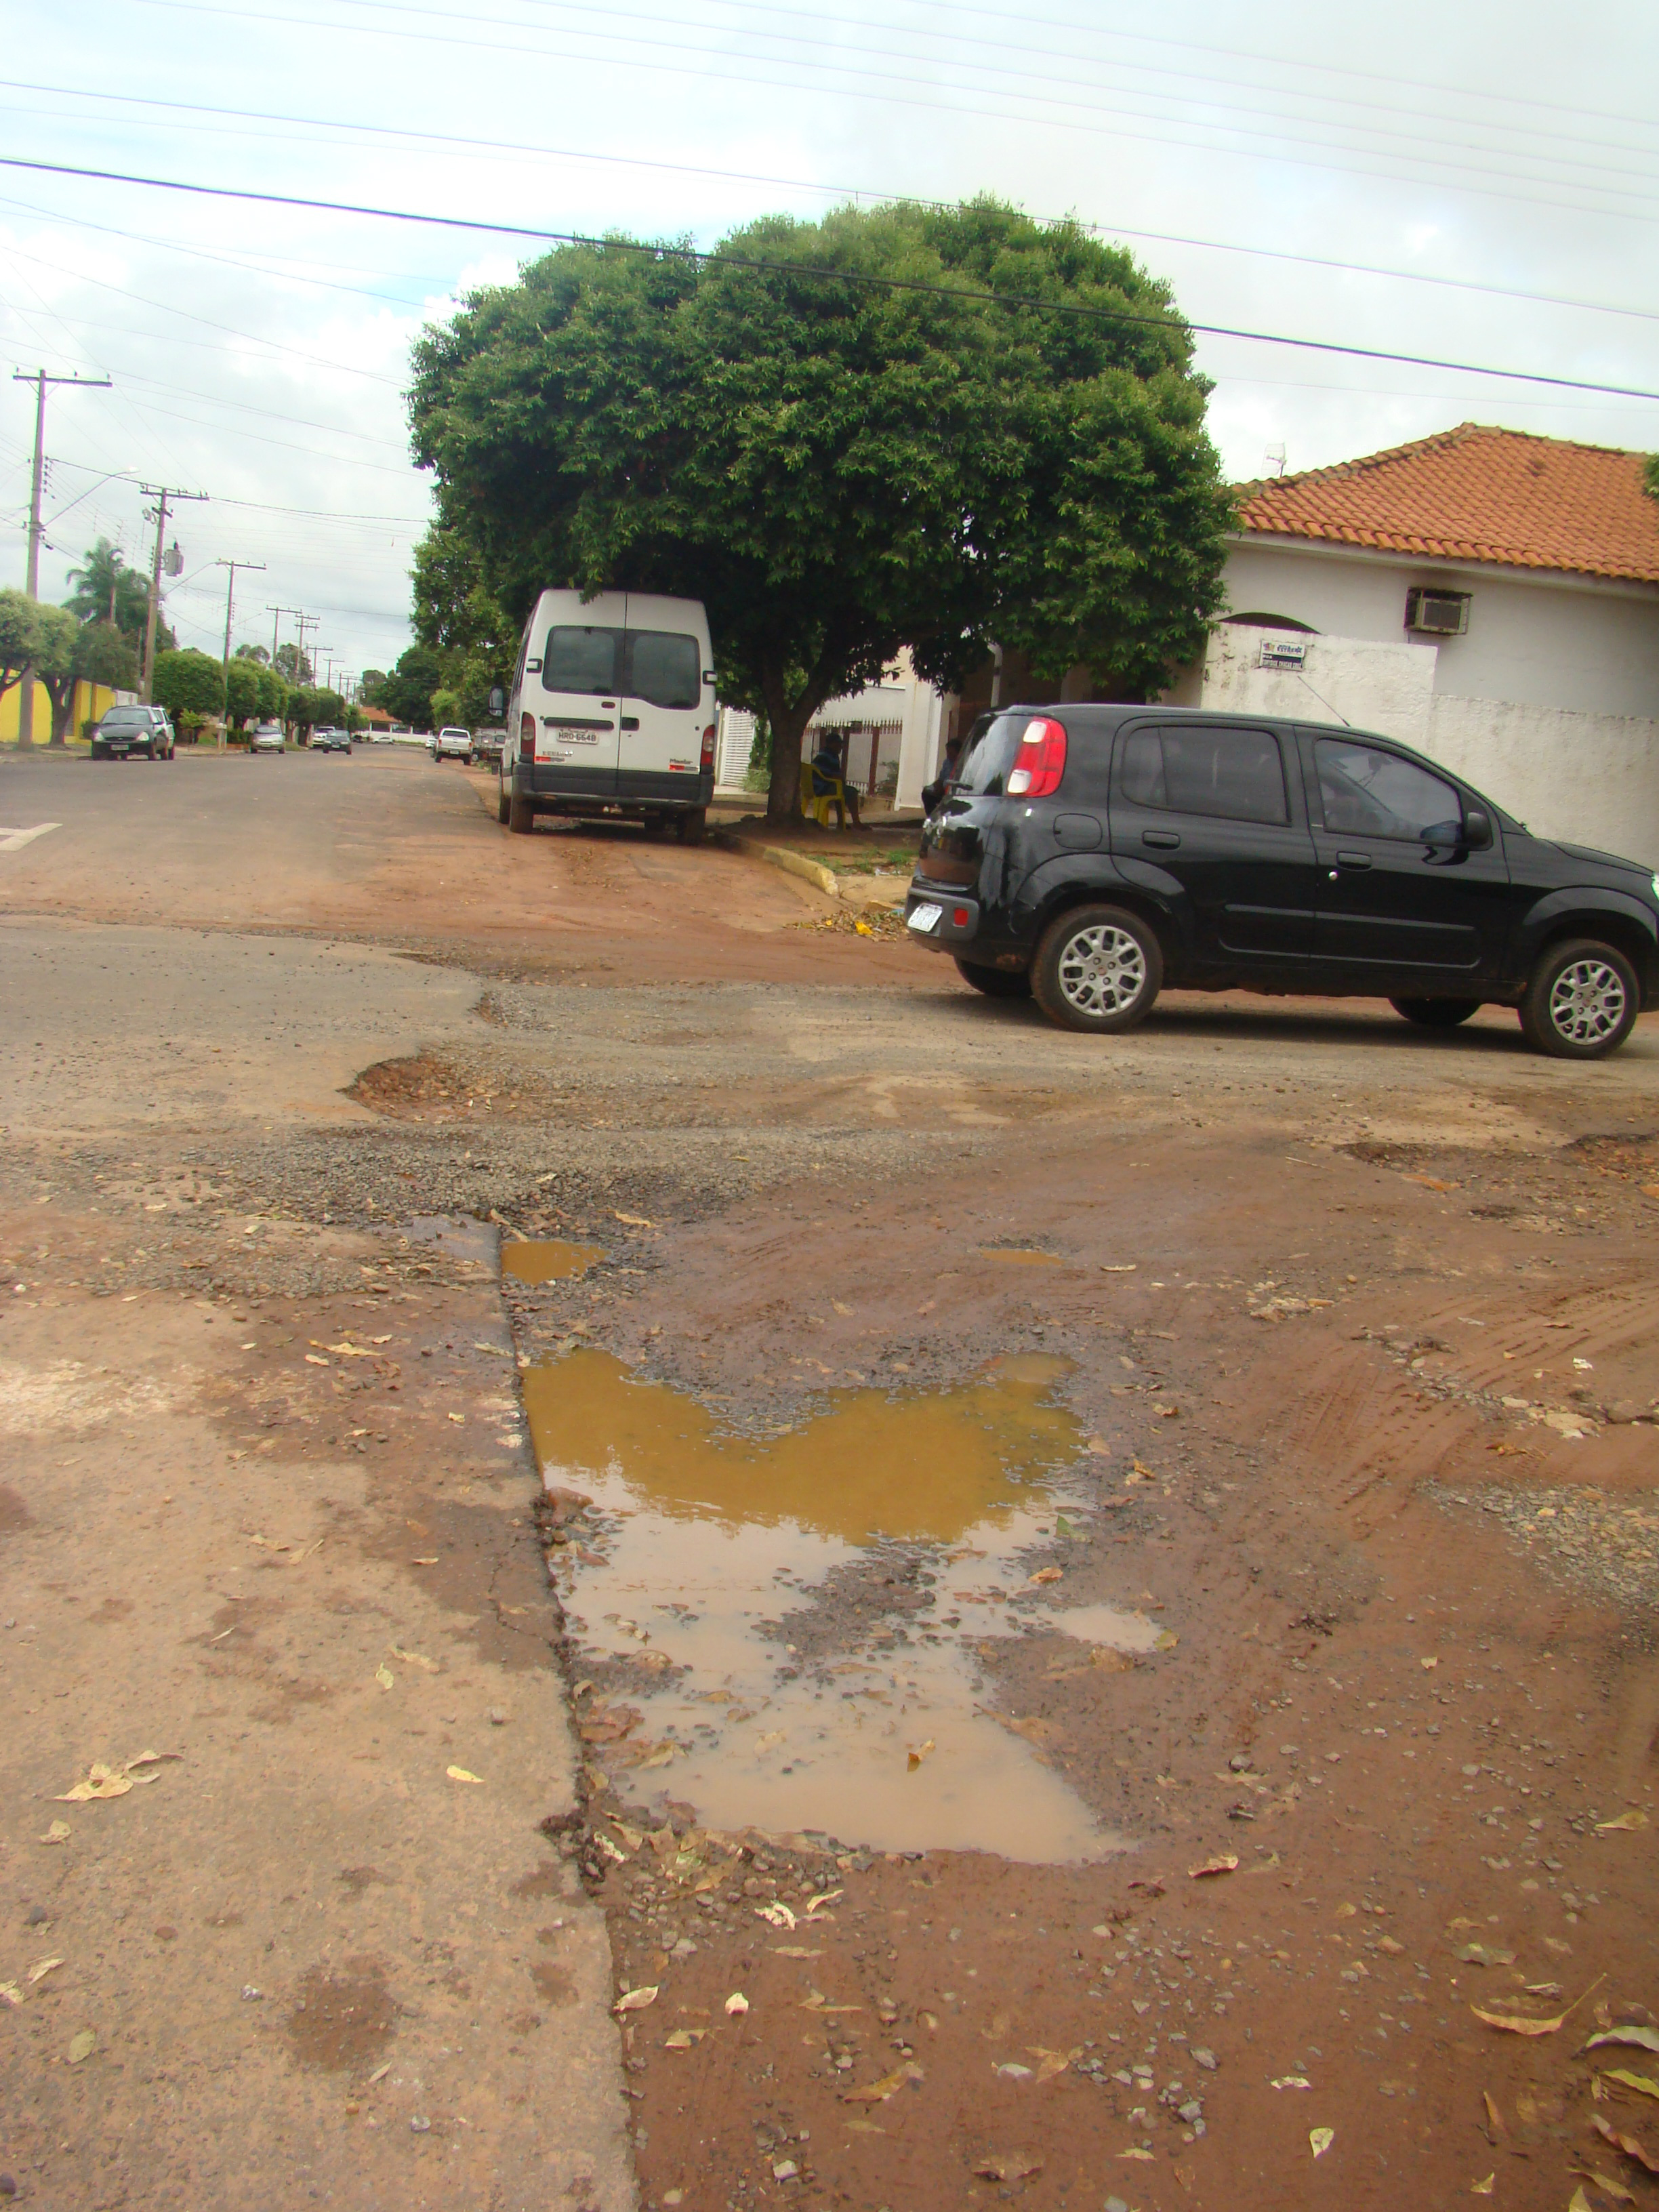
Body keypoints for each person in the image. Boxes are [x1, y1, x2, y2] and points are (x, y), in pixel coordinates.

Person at [809, 733, 859, 829]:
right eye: (838, 744)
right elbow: (831, 775)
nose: (840, 747)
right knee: (851, 792)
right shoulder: (829, 757)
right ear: (831, 744)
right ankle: (856, 822)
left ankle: (841, 823)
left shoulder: (823, 755)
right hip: (822, 788)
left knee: (841, 792)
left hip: (817, 787)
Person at [921, 732, 964, 817]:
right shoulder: (947, 763)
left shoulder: (962, 764)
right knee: (927, 794)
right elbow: (941, 779)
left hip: (955, 793)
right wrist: (934, 787)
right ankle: (933, 817)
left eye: (951, 753)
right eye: (947, 752)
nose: (948, 755)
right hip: (943, 791)